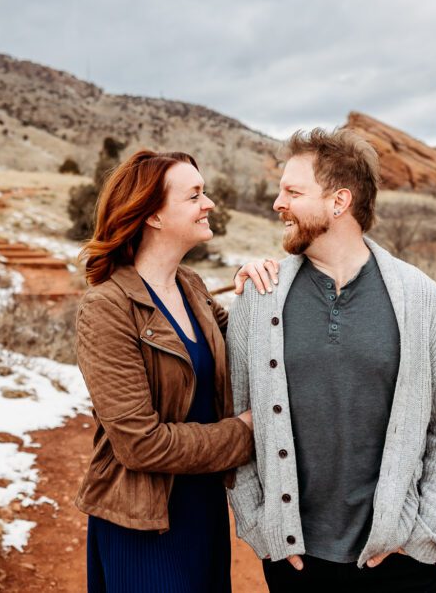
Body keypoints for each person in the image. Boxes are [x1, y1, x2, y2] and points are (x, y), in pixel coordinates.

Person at [228, 128, 436, 593]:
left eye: (292, 191)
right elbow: (239, 419)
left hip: (400, 558)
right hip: (296, 560)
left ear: (339, 202)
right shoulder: (260, 299)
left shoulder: (420, 298)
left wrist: (425, 529)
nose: (277, 203)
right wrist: (260, 525)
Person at [75, 149, 273, 593]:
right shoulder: (106, 307)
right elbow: (139, 444)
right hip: (141, 521)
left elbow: (244, 348)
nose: (210, 204)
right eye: (195, 195)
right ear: (153, 215)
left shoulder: (191, 286)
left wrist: (263, 288)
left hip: (202, 509)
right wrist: (245, 432)